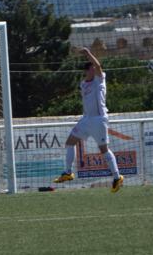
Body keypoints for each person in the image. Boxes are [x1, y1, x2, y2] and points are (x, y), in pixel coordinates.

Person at [53, 48, 124, 193]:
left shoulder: (100, 79)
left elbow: (98, 66)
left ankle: (117, 177)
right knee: (69, 142)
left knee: (103, 149)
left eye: (93, 67)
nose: (93, 69)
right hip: (86, 120)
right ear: (87, 71)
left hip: (99, 119)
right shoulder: (84, 84)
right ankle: (68, 172)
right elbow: (86, 81)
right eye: (89, 68)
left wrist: (88, 54)